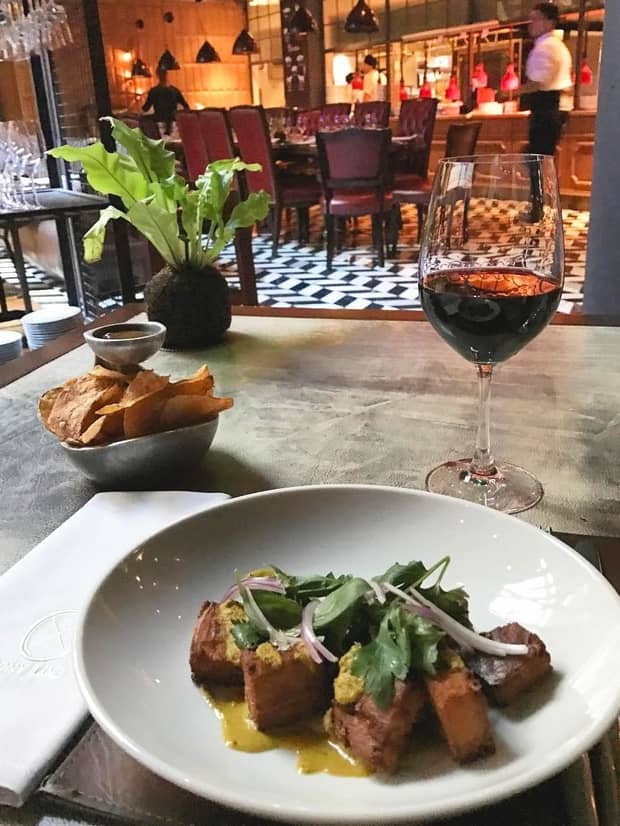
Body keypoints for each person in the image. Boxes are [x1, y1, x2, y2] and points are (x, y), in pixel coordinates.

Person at [523, 3, 572, 157]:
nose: (531, 24)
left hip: (546, 109)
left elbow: (537, 84)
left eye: (536, 19)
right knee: (542, 158)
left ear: (550, 23)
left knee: (537, 160)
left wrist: (506, 93)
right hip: (555, 109)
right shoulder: (558, 46)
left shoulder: (545, 48)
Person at [141, 68, 190, 135]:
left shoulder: (153, 91)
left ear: (157, 75)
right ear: (167, 75)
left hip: (159, 122)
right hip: (173, 124)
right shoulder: (175, 91)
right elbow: (186, 106)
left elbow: (145, 108)